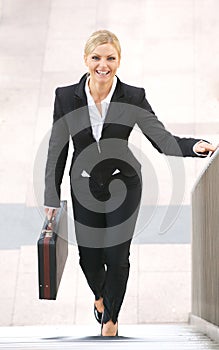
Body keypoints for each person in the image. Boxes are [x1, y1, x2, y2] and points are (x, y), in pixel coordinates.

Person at [44, 29, 217, 337]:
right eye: (96, 57)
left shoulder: (133, 96)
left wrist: (194, 146)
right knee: (89, 259)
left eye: (110, 58)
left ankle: (110, 323)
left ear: (119, 61)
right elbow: (57, 147)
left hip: (124, 185)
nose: (103, 64)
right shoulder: (65, 96)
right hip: (83, 187)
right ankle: (100, 297)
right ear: (86, 59)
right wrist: (51, 197)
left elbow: (161, 139)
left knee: (117, 257)